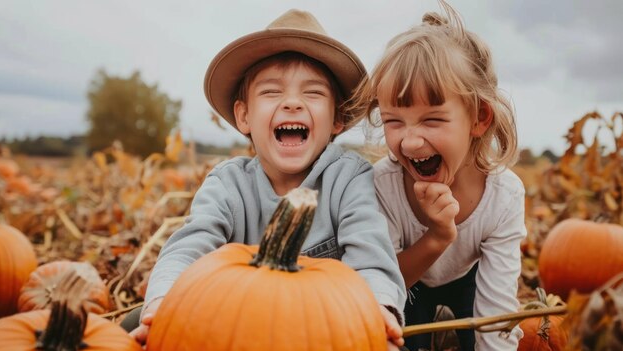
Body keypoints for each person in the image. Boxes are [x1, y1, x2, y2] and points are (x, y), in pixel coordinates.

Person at [127, 9, 407, 349]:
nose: (292, 103)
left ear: (338, 118)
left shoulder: (348, 178)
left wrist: (378, 307)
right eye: (272, 92)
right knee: (134, 322)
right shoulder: (228, 184)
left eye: (313, 93)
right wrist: (162, 304)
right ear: (244, 116)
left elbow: (371, 252)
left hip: (321, 332)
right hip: (237, 329)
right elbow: (189, 246)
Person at [349, 2, 526, 350]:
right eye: (393, 121)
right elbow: (382, 280)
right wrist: (437, 236)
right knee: (398, 337)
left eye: (432, 120)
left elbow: (497, 317)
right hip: (408, 282)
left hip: (468, 282)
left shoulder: (503, 197)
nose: (410, 140)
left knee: (481, 330)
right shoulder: (383, 185)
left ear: (479, 118)